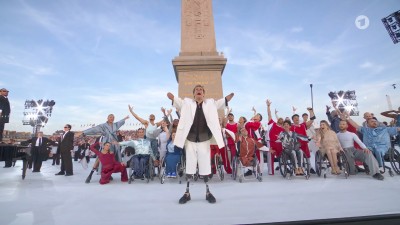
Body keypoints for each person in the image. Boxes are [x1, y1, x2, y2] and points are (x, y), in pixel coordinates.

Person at [167, 84, 234, 204]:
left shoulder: (211, 103)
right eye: (196, 90)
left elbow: (221, 102)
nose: (199, 91)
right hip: (190, 139)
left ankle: (208, 192)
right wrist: (171, 97)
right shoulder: (187, 103)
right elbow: (177, 101)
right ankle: (187, 193)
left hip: (204, 139)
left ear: (204, 94)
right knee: (190, 166)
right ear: (194, 94)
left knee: (205, 167)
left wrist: (228, 97)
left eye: (201, 90)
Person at [82, 114, 129, 182]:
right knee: (101, 158)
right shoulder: (103, 125)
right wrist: (84, 132)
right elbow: (94, 129)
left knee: (113, 159)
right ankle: (92, 174)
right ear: (107, 118)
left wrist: (124, 118)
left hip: (114, 143)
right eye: (110, 117)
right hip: (106, 142)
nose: (112, 118)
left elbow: (120, 122)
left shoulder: (115, 125)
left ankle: (109, 174)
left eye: (113, 117)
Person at [266, 99, 284, 175]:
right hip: (271, 143)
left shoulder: (283, 128)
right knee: (270, 157)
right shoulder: (272, 123)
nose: (280, 119)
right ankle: (271, 171)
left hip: (279, 143)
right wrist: (268, 106)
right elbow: (269, 114)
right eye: (279, 119)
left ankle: (283, 168)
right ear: (277, 120)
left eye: (282, 119)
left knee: (283, 156)